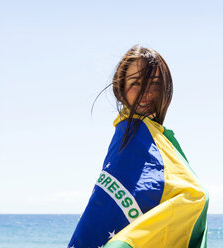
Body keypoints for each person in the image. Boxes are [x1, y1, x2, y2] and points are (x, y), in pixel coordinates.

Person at [68, 44, 209, 248]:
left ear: (165, 88)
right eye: (135, 83)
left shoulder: (162, 140)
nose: (145, 92)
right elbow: (102, 214)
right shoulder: (131, 132)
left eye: (154, 83)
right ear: (121, 90)